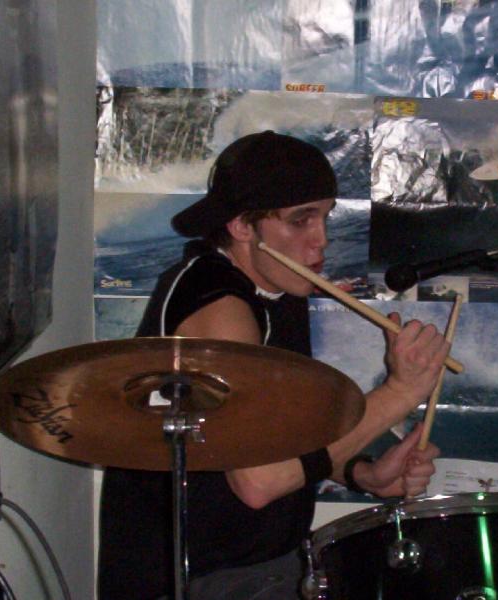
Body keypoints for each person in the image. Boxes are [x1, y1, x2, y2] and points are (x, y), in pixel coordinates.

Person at [98, 131, 449, 600]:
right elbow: (260, 481)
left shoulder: (277, 287)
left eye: (325, 216)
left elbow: (283, 441)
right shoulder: (217, 306)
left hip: (257, 563)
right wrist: (400, 393)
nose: (321, 241)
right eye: (301, 220)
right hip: (195, 578)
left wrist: (362, 473)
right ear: (242, 226)